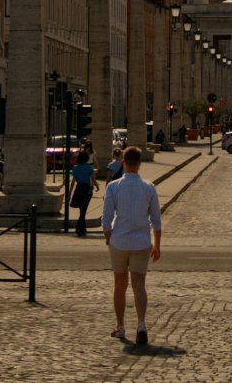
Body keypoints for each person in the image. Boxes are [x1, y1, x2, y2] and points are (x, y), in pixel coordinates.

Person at [102, 146, 162, 345]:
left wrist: (108, 236)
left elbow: (107, 217)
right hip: (142, 242)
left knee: (120, 285)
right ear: (140, 164)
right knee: (139, 286)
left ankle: (120, 326)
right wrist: (157, 245)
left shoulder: (113, 187)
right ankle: (141, 324)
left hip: (119, 241)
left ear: (124, 163)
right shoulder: (149, 187)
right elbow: (156, 220)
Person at [70, 151, 99, 237]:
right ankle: (80, 228)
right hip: (87, 189)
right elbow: (93, 180)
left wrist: (69, 193)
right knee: (84, 209)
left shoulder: (75, 168)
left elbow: (72, 182)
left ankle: (81, 228)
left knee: (82, 210)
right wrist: (97, 186)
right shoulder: (89, 168)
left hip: (79, 188)